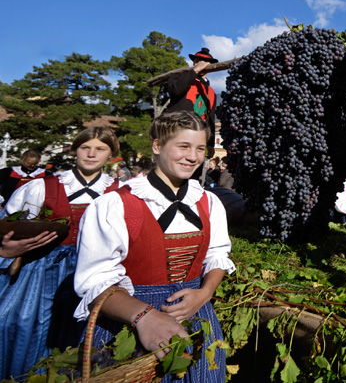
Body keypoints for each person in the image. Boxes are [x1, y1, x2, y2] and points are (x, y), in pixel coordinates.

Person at [73, 111, 234, 382]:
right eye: (183, 146)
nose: (193, 157)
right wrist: (144, 317)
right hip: (128, 322)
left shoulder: (208, 202)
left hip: (197, 317)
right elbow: (94, 281)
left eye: (199, 148)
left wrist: (205, 293)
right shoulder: (114, 205)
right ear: (157, 146)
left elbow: (217, 254)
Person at [0, 127, 120, 379]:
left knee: (85, 336)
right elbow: (8, 226)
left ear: (111, 154)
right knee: (22, 326)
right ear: (75, 149)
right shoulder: (41, 187)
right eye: (85, 147)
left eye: (100, 149)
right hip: (42, 271)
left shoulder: (119, 192)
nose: (91, 154)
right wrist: (7, 248)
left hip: (95, 273)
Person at [165, 47, 219, 162]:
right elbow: (176, 90)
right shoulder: (178, 77)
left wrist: (210, 143)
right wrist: (195, 70)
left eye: (203, 62)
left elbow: (210, 119)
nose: (199, 63)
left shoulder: (212, 92)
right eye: (197, 60)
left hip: (198, 139)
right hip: (177, 133)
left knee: (194, 175)